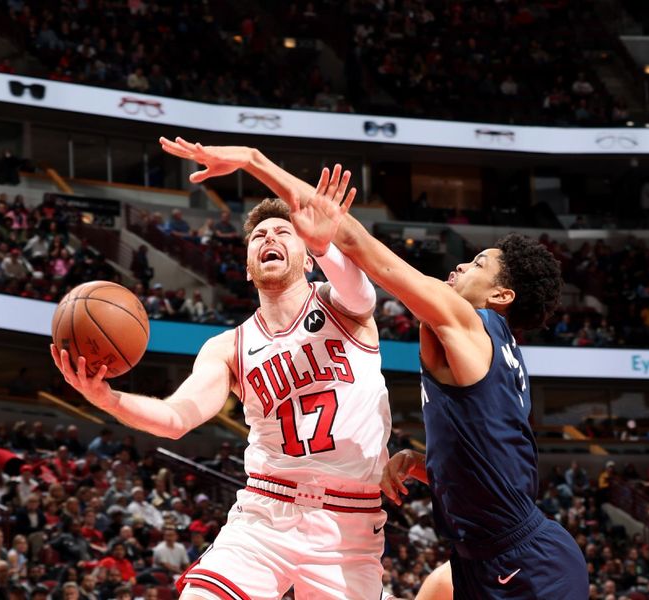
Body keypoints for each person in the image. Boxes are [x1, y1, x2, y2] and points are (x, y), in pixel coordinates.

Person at [171, 138, 587, 599]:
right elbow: (493, 465)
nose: (461, 264)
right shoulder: (491, 347)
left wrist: (255, 161)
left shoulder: (469, 322)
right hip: (487, 553)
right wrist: (426, 465)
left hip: (524, 562)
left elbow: (358, 243)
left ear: (501, 296)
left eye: (478, 263)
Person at [51, 138, 393, 599]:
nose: (269, 238)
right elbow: (177, 418)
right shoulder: (228, 347)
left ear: (309, 257)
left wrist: (329, 246)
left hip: (348, 526)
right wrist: (106, 398)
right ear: (249, 268)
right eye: (258, 236)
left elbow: (358, 285)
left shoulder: (345, 307)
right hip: (264, 513)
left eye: (283, 232)